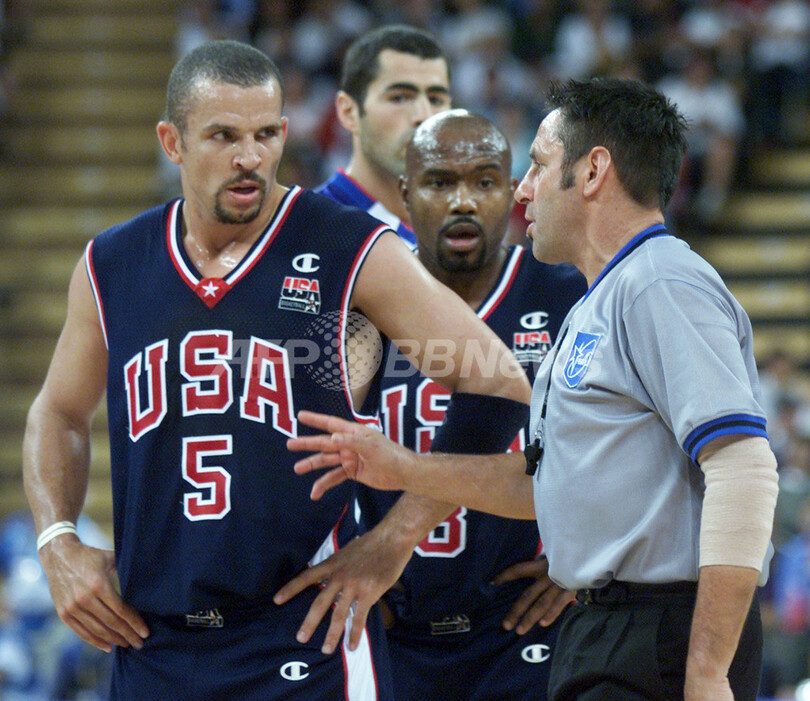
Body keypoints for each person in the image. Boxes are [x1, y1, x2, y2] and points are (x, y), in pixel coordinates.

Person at [22, 40, 532, 701]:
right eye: (224, 136)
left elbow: (496, 380)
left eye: (265, 134)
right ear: (172, 142)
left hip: (302, 638)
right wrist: (57, 539)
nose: (249, 157)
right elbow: (58, 412)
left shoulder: (345, 244)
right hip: (152, 643)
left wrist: (397, 536)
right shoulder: (112, 263)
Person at [287, 77, 780, 701]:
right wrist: (404, 467)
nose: (523, 190)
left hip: (660, 628)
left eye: (539, 166)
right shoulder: (604, 296)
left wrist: (707, 669)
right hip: (607, 625)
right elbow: (546, 483)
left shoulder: (660, 284)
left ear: (593, 171)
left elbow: (744, 468)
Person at [363, 109, 585, 699]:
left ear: (511, 191)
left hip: (522, 627)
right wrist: (348, 551)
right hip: (392, 625)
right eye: (439, 182)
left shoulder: (569, 294)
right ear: (405, 193)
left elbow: (629, 443)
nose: (463, 201)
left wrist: (591, 556)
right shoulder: (360, 303)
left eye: (484, 182)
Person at [316, 24, 452, 249]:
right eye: (399, 98)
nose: (424, 115)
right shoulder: (310, 229)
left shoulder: (464, 229)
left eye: (436, 99)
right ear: (348, 112)